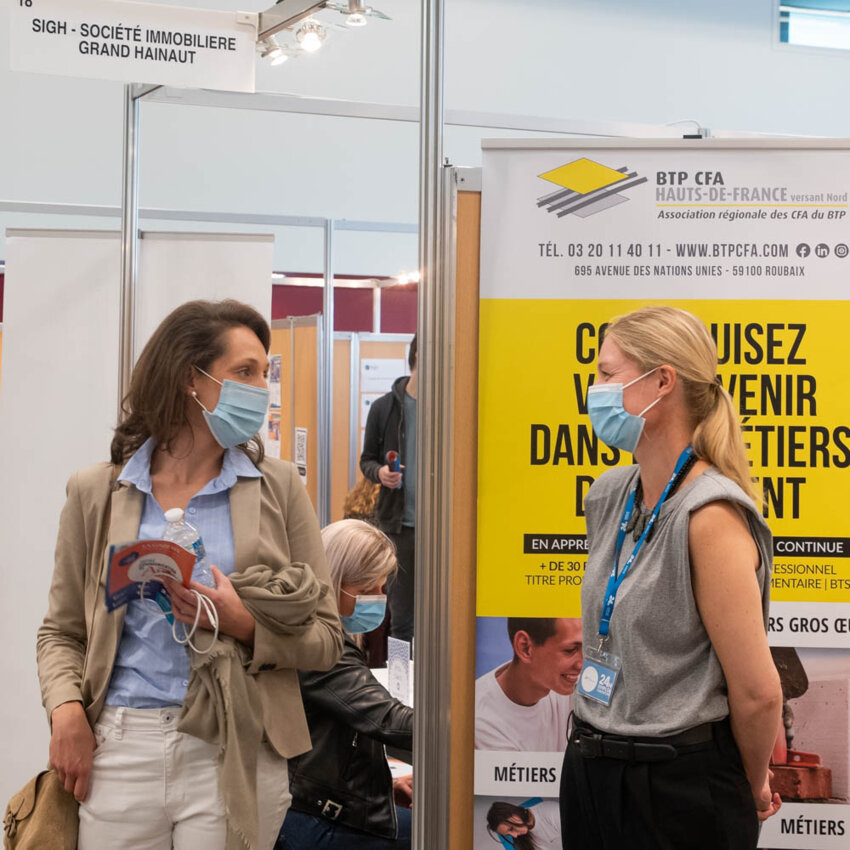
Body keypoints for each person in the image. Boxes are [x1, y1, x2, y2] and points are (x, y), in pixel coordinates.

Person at [37, 299, 343, 850]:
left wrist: (244, 624)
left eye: (264, 373)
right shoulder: (97, 492)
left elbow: (326, 640)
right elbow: (61, 632)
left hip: (238, 745)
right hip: (120, 746)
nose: (261, 389)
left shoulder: (278, 487)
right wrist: (66, 713)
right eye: (244, 372)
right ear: (189, 379)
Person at [559, 306, 782, 850]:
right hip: (590, 770)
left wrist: (750, 785)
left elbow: (757, 693)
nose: (595, 390)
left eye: (607, 374)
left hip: (678, 790)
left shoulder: (711, 517)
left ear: (662, 382)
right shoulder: (610, 493)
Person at [277, 519, 413, 849]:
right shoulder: (319, 646)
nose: (378, 600)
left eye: (382, 589)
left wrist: (382, 787)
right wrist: (463, 725)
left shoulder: (312, 630)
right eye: (368, 590)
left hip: (315, 805)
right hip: (319, 820)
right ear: (335, 581)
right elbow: (385, 719)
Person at [359, 336, 417, 642]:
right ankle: (402, 687)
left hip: (446, 532)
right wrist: (381, 473)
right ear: (420, 356)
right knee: (403, 622)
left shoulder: (451, 407)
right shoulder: (385, 408)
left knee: (447, 615)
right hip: (399, 527)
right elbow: (366, 460)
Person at [475, 618, 582, 751]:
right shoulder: (481, 721)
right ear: (525, 648)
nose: (581, 665)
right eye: (570, 650)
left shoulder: (561, 681)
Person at [485, 800, 561, 850]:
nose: (514, 836)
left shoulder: (551, 811)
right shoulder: (522, 841)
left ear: (514, 815)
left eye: (511, 829)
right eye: (508, 834)